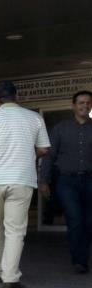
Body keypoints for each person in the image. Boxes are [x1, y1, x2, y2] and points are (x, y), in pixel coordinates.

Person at [0, 81, 51, 288]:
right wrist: (28, 154)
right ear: (17, 96)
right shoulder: (35, 118)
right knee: (15, 230)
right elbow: (44, 149)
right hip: (21, 179)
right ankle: (10, 278)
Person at [40, 90, 92, 274]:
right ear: (73, 106)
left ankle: (82, 255)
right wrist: (43, 180)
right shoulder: (60, 129)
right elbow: (49, 156)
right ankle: (79, 261)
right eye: (81, 103)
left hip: (89, 180)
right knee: (75, 219)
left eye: (88, 103)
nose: (84, 106)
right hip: (67, 182)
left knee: (88, 222)